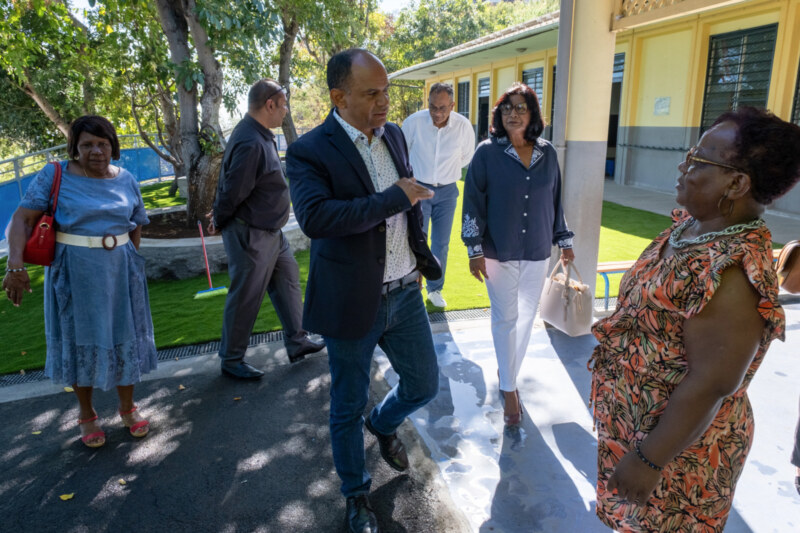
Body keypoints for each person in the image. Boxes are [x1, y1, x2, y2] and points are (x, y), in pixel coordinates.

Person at [588, 106, 800, 531]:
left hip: (677, 455)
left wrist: (649, 460)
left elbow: (713, 382)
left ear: (737, 183)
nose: (683, 165)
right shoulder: (692, 227)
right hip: (637, 430)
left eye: (699, 160)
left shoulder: (732, 270)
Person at [286, 49, 442, 533]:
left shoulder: (392, 134)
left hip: (405, 292)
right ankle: (356, 495)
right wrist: (396, 195)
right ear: (339, 97)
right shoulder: (309, 150)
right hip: (353, 300)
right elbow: (318, 219)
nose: (384, 103)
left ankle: (384, 422)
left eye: (387, 91)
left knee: (424, 384)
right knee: (346, 406)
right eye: (372, 93)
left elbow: (405, 199)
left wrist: (416, 246)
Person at [2, 115, 156, 448]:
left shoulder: (126, 179)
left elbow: (136, 223)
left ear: (113, 145)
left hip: (122, 273)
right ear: (74, 148)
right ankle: (87, 414)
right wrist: (15, 265)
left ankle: (127, 407)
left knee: (123, 335)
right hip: (74, 274)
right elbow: (21, 219)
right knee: (78, 339)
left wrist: (131, 262)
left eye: (103, 143)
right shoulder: (54, 175)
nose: (96, 151)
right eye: (87, 144)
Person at [461, 82, 575, 426]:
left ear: (532, 114)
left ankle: (506, 369)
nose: (513, 113)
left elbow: (555, 201)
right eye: (507, 108)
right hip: (498, 251)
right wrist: (474, 248)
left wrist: (564, 240)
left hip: (538, 249)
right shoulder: (486, 152)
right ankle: (510, 390)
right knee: (505, 318)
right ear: (499, 113)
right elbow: (473, 202)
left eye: (520, 107)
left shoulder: (548, 153)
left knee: (526, 318)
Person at [208, 78, 324, 380]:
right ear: (270, 104)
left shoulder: (258, 133)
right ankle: (231, 359)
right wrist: (219, 218)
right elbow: (233, 189)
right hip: (252, 234)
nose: (285, 111)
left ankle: (297, 342)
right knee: (246, 296)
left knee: (288, 281)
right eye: (283, 105)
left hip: (271, 232)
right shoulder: (250, 141)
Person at [401, 82, 475, 308]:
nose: (437, 113)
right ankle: (412, 285)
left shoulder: (463, 126)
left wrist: (443, 172)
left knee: (441, 244)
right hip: (419, 188)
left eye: (442, 108)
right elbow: (402, 153)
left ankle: (435, 289)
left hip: (448, 191)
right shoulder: (413, 122)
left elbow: (466, 157)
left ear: (452, 105)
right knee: (416, 239)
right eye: (433, 107)